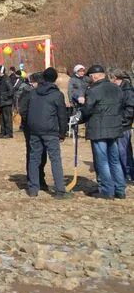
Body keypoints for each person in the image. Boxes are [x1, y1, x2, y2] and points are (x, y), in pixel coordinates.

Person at [79, 65, 126, 199]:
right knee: (115, 160)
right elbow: (121, 106)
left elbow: (87, 110)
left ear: (94, 76)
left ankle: (107, 190)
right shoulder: (117, 88)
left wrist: (80, 114)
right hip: (115, 127)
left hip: (99, 129)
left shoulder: (93, 91)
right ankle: (120, 189)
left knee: (102, 160)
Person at [23, 67, 70, 198]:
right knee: (55, 159)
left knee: (34, 158)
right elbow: (62, 115)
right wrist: (63, 132)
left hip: (34, 130)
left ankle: (33, 188)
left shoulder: (33, 93)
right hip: (50, 130)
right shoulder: (57, 94)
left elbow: (25, 110)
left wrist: (29, 124)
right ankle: (60, 190)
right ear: (55, 79)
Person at [19, 73, 48, 192]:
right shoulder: (27, 93)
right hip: (30, 128)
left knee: (42, 154)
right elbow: (23, 110)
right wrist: (30, 121)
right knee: (33, 153)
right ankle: (33, 179)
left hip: (43, 127)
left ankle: (40, 178)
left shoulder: (45, 93)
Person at [108, 68, 134, 183]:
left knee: (124, 152)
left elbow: (130, 109)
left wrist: (120, 119)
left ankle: (127, 174)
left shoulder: (127, 91)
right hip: (119, 124)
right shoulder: (119, 89)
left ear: (115, 78)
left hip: (124, 125)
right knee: (122, 151)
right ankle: (125, 174)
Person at [0, 66, 15, 138]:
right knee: (2, 118)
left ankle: (9, 133)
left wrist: (4, 97)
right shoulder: (1, 79)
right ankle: (3, 132)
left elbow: (11, 91)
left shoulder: (6, 79)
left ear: (0, 71)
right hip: (1, 102)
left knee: (7, 118)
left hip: (6, 102)